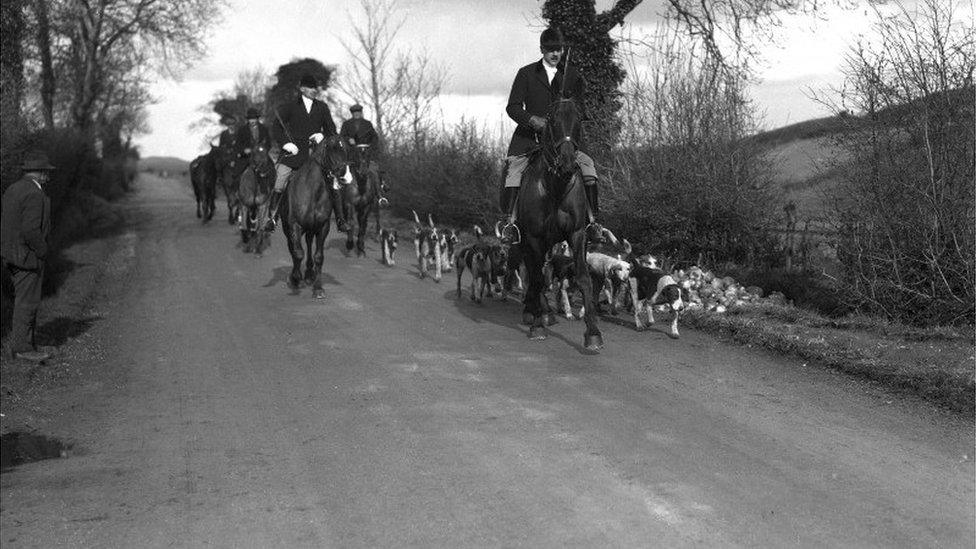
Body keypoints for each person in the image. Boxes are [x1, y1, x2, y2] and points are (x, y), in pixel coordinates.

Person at [499, 26, 601, 243]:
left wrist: (567, 115)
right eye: (550, 50)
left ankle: (593, 223)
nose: (555, 54)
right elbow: (513, 107)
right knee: (513, 174)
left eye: (559, 50)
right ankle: (511, 225)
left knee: (589, 170)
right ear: (542, 49)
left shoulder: (572, 75)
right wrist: (532, 120)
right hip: (529, 140)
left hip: (564, 141)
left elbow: (582, 109)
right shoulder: (526, 73)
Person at [265, 73, 349, 232]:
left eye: (314, 88)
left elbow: (332, 130)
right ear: (302, 88)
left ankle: (340, 219)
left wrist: (322, 135)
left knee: (335, 183)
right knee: (280, 178)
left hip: (318, 156)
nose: (313, 90)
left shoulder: (322, 107)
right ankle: (272, 218)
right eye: (310, 87)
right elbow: (276, 127)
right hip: (294, 154)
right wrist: (286, 144)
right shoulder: (290, 106)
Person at [1, 150, 54, 362]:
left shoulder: (13, 189)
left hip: (11, 255)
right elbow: (31, 230)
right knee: (27, 302)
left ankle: (25, 345)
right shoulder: (35, 194)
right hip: (27, 257)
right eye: (46, 172)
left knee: (23, 300)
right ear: (40, 173)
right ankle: (23, 348)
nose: (48, 175)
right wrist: (43, 251)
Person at [339, 104, 387, 205]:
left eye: (358, 112)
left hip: (366, 153)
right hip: (351, 153)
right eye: (354, 113)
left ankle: (380, 196)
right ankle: (338, 194)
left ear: (361, 113)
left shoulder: (367, 124)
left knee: (373, 169)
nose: (357, 114)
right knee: (341, 170)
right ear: (352, 114)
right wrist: (348, 139)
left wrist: (371, 147)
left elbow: (375, 137)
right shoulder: (346, 124)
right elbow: (341, 137)